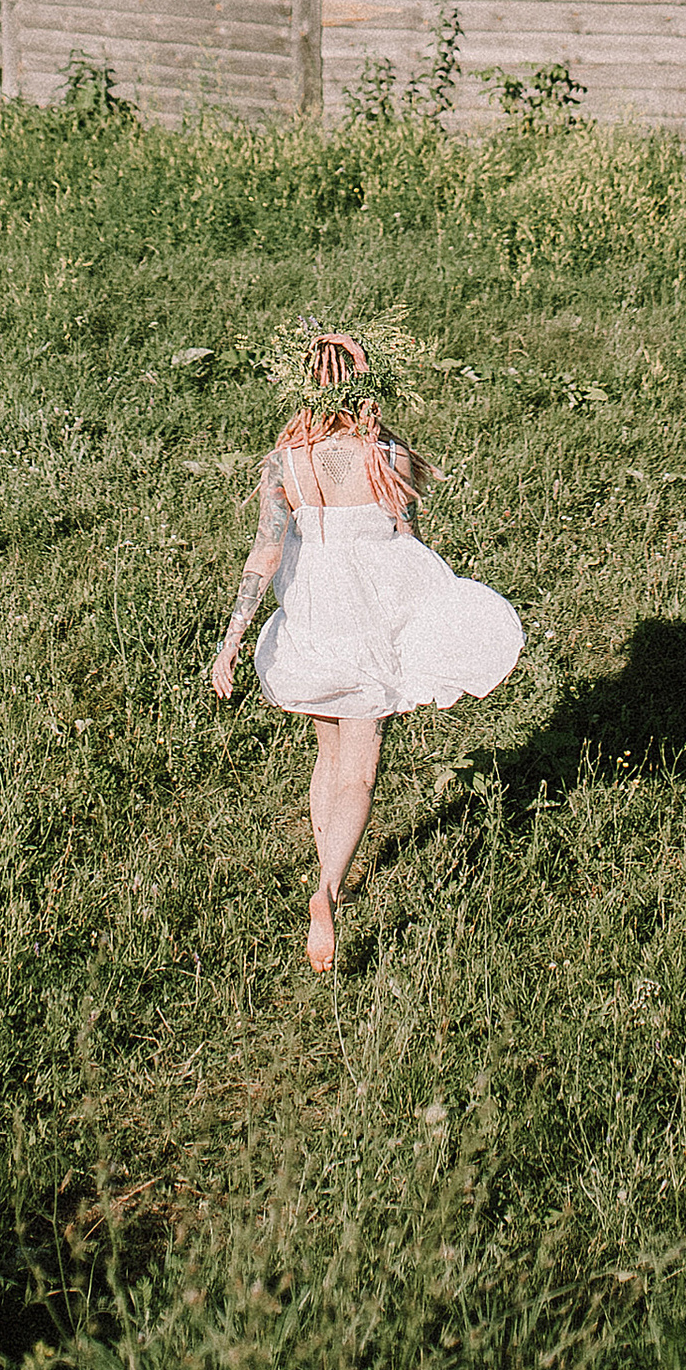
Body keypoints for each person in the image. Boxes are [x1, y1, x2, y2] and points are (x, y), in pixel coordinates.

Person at [210, 328, 522, 973]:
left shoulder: (283, 463)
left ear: (303, 384)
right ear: (368, 384)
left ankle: (328, 868)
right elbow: (411, 547)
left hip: (314, 613)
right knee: (359, 768)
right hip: (371, 616)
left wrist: (235, 635)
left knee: (328, 759)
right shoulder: (388, 455)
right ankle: (328, 891)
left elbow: (265, 553)